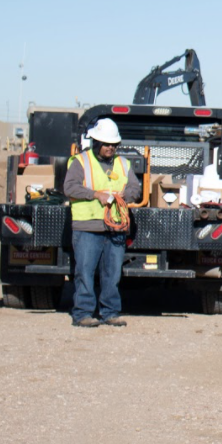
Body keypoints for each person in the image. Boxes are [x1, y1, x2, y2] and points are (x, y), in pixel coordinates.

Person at [62, 117, 141, 328]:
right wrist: (96, 194)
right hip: (87, 226)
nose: (110, 148)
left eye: (113, 144)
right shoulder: (80, 162)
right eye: (106, 144)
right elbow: (70, 188)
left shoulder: (123, 164)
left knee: (112, 273)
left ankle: (110, 313)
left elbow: (135, 188)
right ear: (96, 142)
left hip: (115, 226)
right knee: (85, 272)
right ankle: (83, 313)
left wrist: (125, 195)